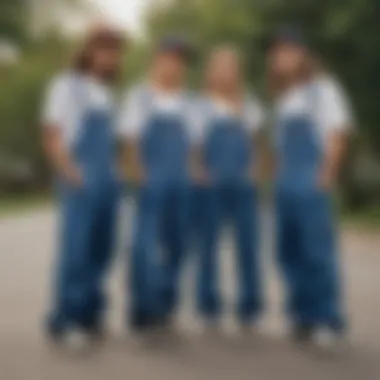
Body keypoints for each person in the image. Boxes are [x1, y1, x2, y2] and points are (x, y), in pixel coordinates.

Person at [268, 27, 352, 349]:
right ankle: (301, 315)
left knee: (317, 252)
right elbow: (278, 148)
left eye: (288, 51)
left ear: (302, 54)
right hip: (286, 181)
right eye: (277, 53)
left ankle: (326, 319)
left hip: (312, 177)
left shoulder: (323, 89)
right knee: (289, 250)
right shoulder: (283, 98)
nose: (282, 57)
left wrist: (326, 174)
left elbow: (337, 134)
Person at [42, 24, 125, 348]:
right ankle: (66, 320)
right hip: (80, 174)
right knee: (76, 250)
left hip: (107, 178)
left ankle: (90, 315)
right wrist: (70, 170)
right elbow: (52, 134)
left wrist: (116, 171)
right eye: (102, 47)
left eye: (113, 49)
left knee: (102, 249)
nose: (107, 54)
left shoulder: (105, 92)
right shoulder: (67, 86)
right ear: (87, 49)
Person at [118, 36, 196, 333]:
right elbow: (130, 141)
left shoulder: (189, 101)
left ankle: (165, 307)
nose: (174, 65)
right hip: (150, 181)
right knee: (143, 247)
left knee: (177, 247)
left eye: (180, 61)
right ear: (157, 59)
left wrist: (192, 175)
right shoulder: (140, 96)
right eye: (170, 58)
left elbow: (193, 147)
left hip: (181, 183)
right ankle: (142, 312)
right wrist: (139, 176)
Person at [192, 46, 265, 332]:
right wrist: (199, 171)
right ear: (210, 72)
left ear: (238, 72)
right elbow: (195, 147)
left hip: (243, 186)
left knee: (248, 246)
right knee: (208, 247)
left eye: (231, 66)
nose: (225, 72)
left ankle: (250, 309)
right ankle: (208, 307)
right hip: (211, 185)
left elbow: (258, 143)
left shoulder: (249, 104)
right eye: (220, 66)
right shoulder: (201, 105)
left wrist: (256, 169)